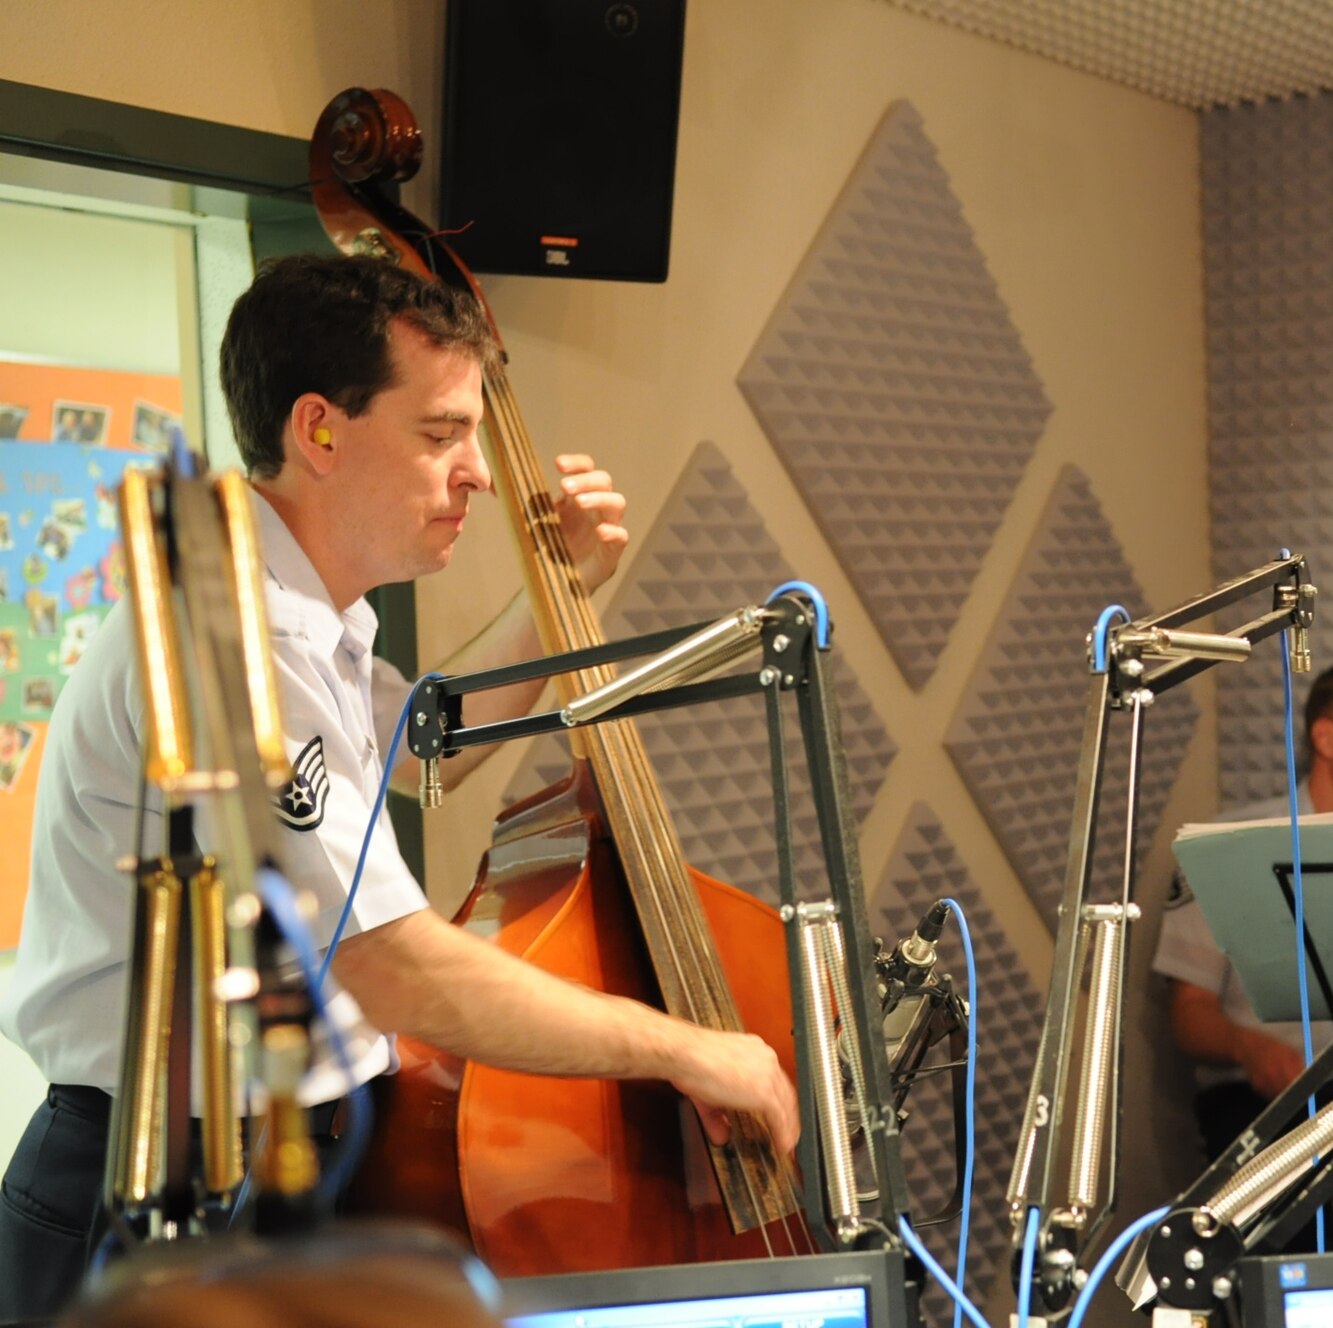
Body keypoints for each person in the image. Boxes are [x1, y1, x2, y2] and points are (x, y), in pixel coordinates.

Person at [0, 254, 801, 1319]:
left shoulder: (308, 614)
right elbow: (392, 965)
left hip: (275, 1162)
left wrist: (551, 593)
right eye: (440, 434)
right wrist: (689, 1048)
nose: (477, 470)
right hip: (158, 1189)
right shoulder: (234, 636)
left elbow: (422, 753)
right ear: (319, 430)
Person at [1154, 658, 1333, 1161]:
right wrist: (1250, 1049)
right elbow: (1189, 1012)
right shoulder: (1229, 846)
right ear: (1326, 738)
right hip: (1267, 1108)